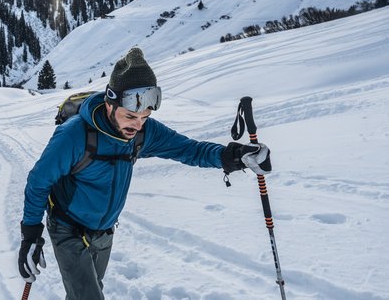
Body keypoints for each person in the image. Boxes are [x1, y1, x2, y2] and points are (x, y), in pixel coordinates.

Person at [18, 47, 271, 299]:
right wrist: (30, 235)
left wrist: (232, 157)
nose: (137, 125)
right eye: (130, 116)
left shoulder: (142, 131)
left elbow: (188, 149)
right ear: (109, 103)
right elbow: (38, 183)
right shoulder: (74, 136)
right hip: (68, 228)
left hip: (104, 231)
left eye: (145, 117)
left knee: (90, 290)